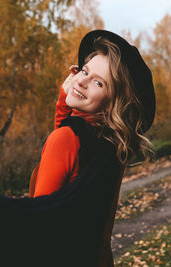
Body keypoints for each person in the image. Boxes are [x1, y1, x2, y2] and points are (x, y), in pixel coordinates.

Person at [29, 30, 155, 198]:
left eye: (98, 82)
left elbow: (39, 218)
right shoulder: (114, 144)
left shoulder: (65, 140)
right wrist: (65, 100)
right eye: (85, 71)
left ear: (113, 102)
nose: (81, 80)